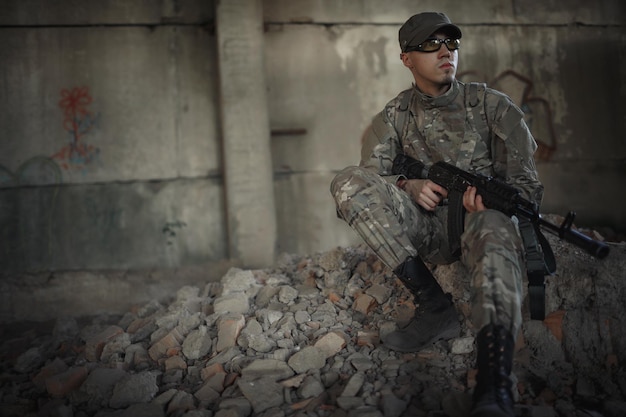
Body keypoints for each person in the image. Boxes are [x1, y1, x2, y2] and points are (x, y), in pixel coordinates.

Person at [330, 12, 544, 417]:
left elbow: (529, 190)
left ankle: (495, 383)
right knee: (346, 182)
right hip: (426, 229)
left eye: (451, 44)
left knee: (496, 224)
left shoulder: (493, 107)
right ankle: (434, 305)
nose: (446, 52)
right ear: (406, 58)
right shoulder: (396, 115)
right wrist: (406, 185)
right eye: (431, 45)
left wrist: (492, 203)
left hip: (481, 227)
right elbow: (368, 177)